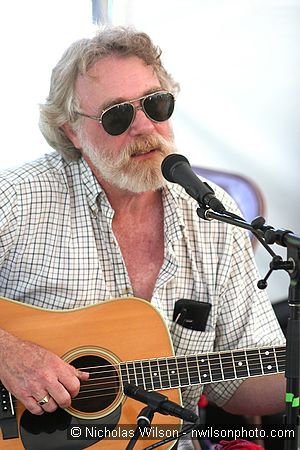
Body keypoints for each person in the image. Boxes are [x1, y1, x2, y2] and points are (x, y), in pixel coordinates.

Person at [0, 26, 286, 449]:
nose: (144, 126)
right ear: (72, 132)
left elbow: (247, 383)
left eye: (156, 104)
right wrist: (8, 352)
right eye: (117, 115)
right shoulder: (19, 198)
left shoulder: (212, 211)